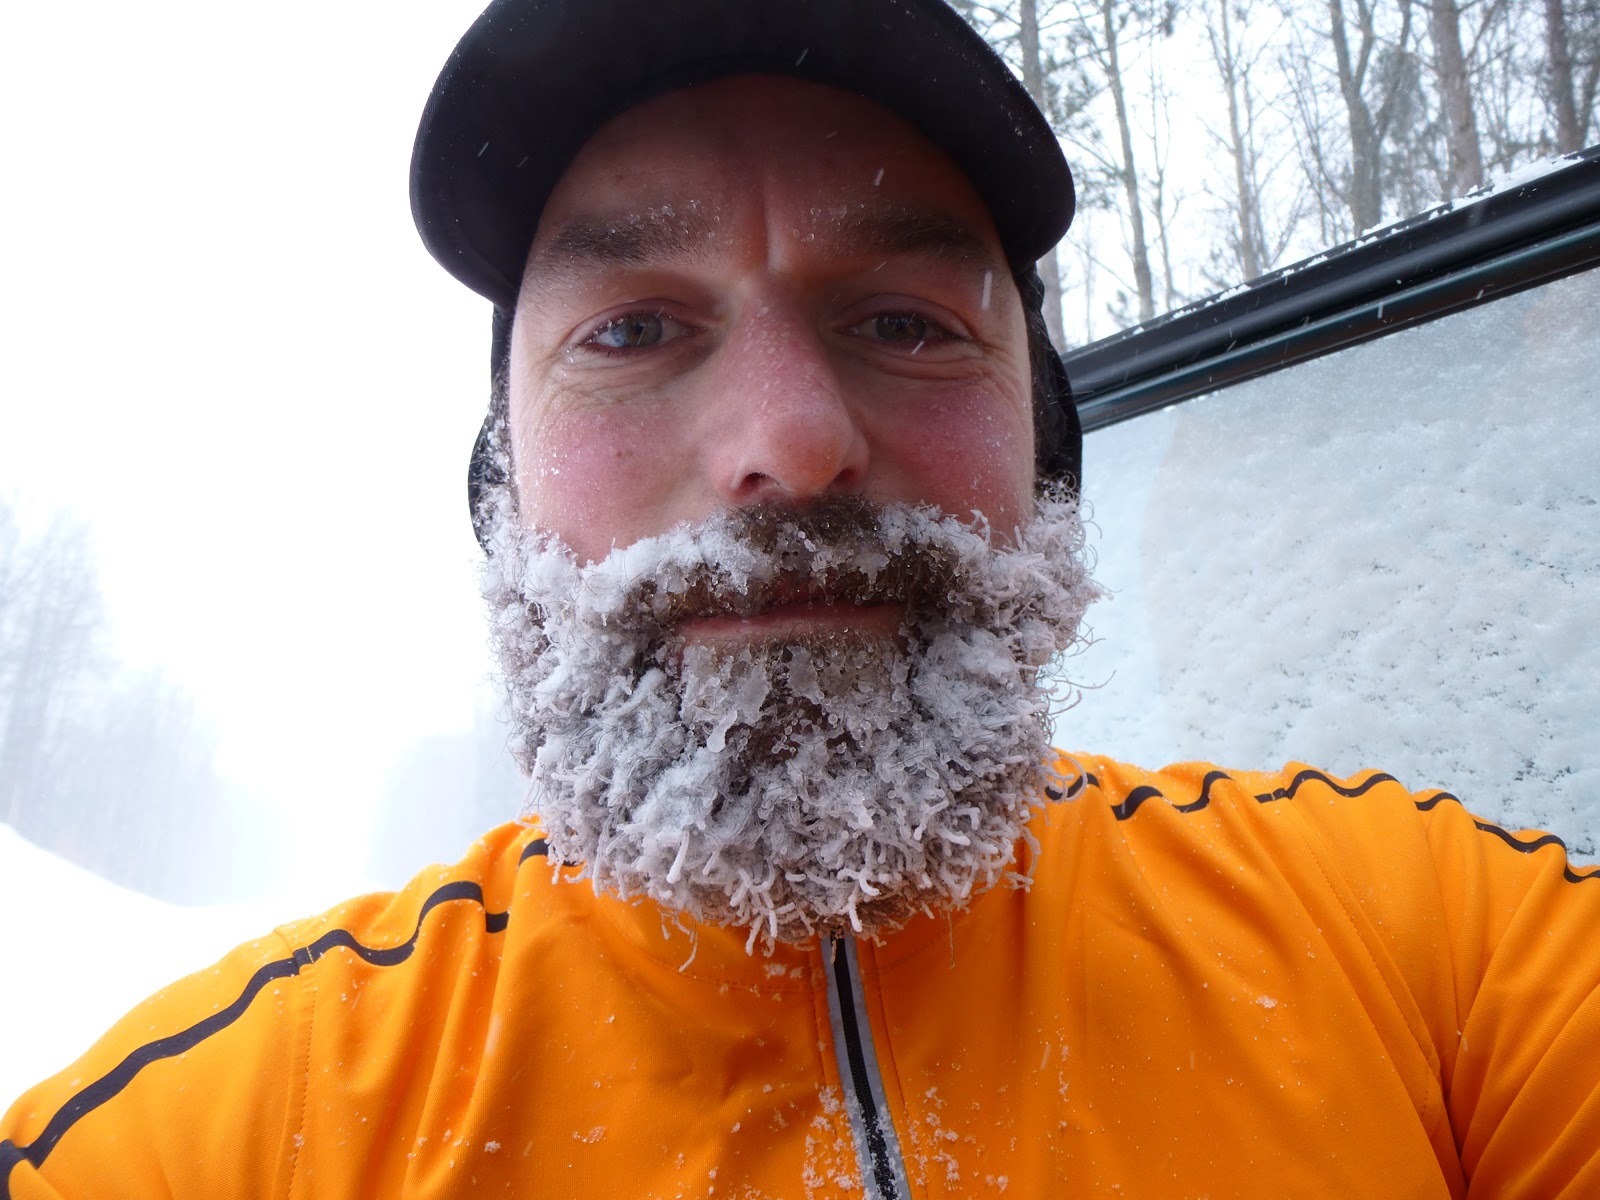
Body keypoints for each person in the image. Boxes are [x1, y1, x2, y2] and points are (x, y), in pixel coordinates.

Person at [4, 0, 1598, 1195]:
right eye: (634, 330)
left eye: (904, 321)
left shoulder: (1429, 957)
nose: (789, 442)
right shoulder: (223, 1140)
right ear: (502, 497)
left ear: (1046, 454)